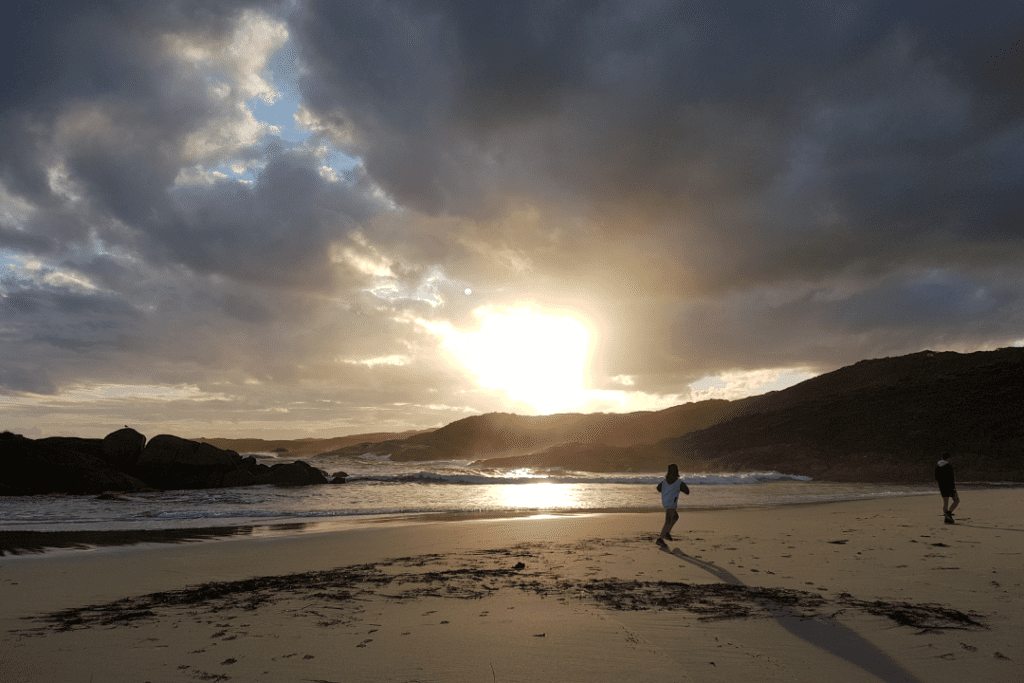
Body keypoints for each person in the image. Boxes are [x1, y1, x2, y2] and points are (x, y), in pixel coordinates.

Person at [656, 464, 689, 547]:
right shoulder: (678, 482)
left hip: (665, 502)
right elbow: (687, 491)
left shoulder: (664, 481)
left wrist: (667, 490)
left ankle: (667, 533)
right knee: (668, 520)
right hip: (672, 503)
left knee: (675, 517)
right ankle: (660, 539)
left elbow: (658, 489)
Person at [935, 453, 959, 524]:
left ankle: (947, 518)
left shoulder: (937, 467)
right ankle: (948, 513)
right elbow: (951, 478)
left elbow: (936, 477)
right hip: (949, 486)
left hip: (942, 486)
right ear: (948, 458)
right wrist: (953, 486)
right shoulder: (948, 466)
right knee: (956, 500)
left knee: (945, 501)